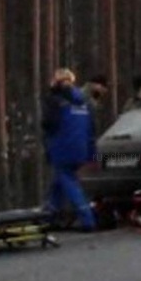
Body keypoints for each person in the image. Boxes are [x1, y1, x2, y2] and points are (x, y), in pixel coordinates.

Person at [41, 68, 97, 231]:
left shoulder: (55, 101)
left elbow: (48, 125)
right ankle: (50, 214)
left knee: (68, 181)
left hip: (62, 148)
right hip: (81, 149)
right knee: (59, 182)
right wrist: (91, 152)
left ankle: (87, 219)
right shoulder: (84, 102)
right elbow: (91, 129)